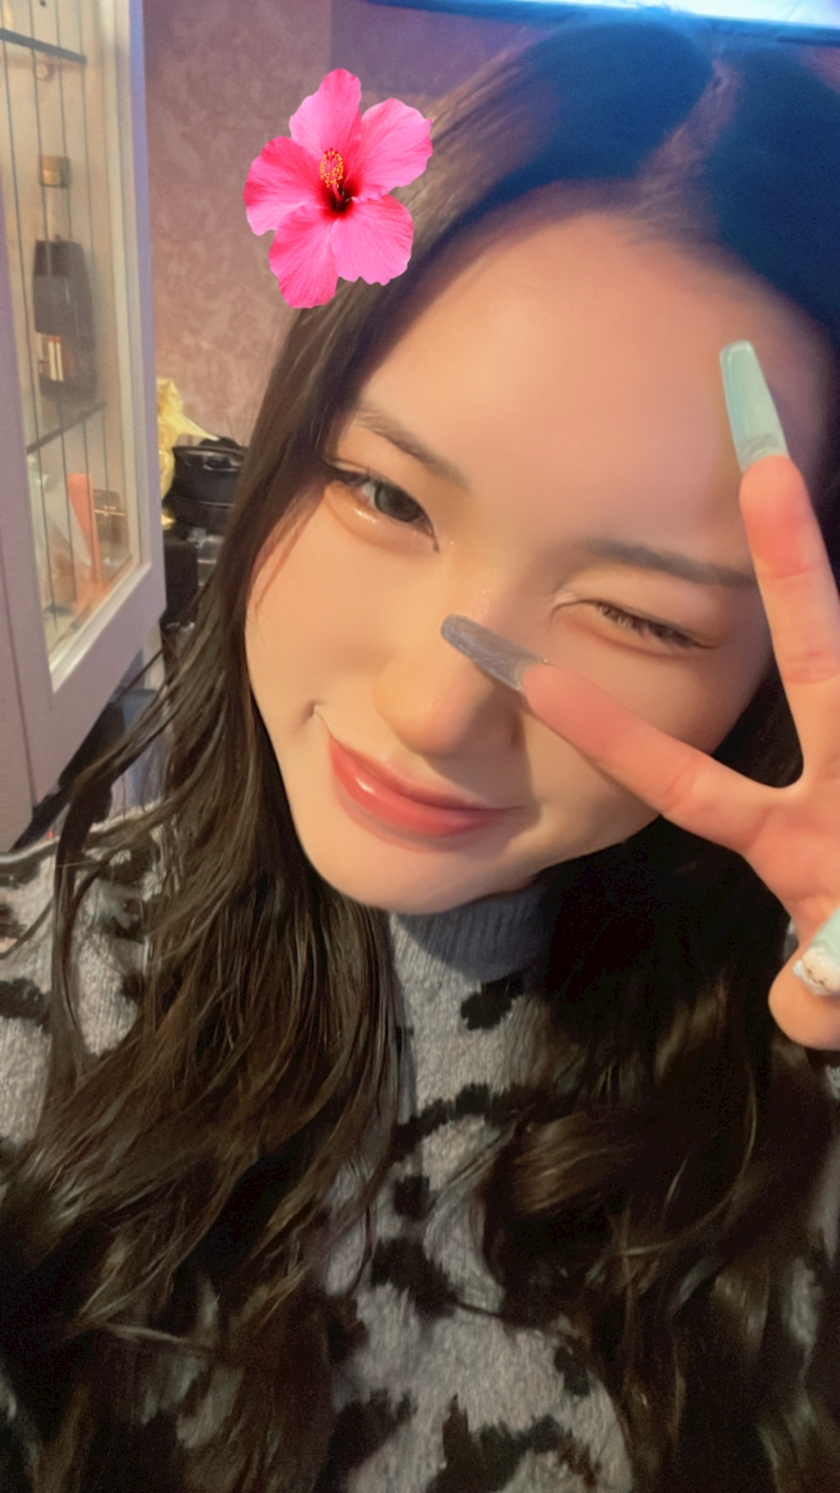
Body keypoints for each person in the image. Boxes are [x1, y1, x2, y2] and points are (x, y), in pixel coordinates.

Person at [2, 13, 840, 1492]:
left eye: (639, 616)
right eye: (385, 497)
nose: (441, 706)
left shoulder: (802, 1085)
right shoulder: (45, 1002)